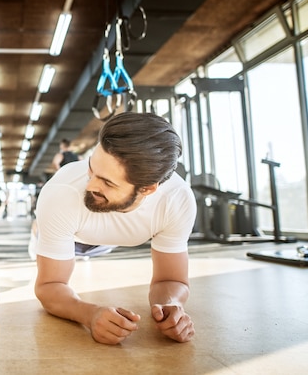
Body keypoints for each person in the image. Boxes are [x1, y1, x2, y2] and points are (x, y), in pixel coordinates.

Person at [34, 112, 197, 345]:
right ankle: (38, 229)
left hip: (110, 239)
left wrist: (172, 305)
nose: (89, 186)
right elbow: (49, 286)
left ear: (148, 189)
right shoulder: (61, 193)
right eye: (92, 169)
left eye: (107, 182)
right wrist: (89, 314)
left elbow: (170, 280)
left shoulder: (176, 201)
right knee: (46, 229)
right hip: (69, 232)